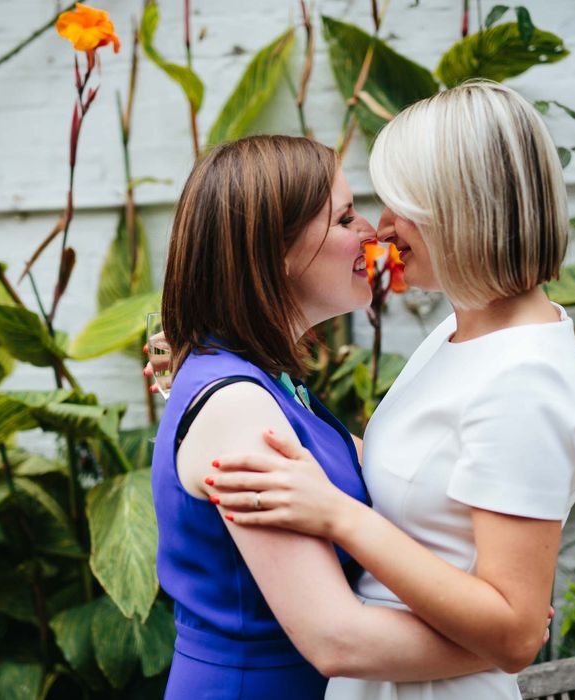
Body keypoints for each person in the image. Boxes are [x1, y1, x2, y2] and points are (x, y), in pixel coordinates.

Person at [200, 81, 575, 699]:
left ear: (461, 209)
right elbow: (426, 469)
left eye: (396, 206)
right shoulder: (459, 331)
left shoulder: (526, 379)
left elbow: (516, 633)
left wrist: (339, 516)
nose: (378, 230)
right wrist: (220, 376)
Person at [151, 134, 540, 700]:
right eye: (345, 218)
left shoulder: (269, 382)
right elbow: (338, 640)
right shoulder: (238, 405)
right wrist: (501, 638)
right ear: (274, 252)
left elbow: (388, 465)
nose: (374, 235)